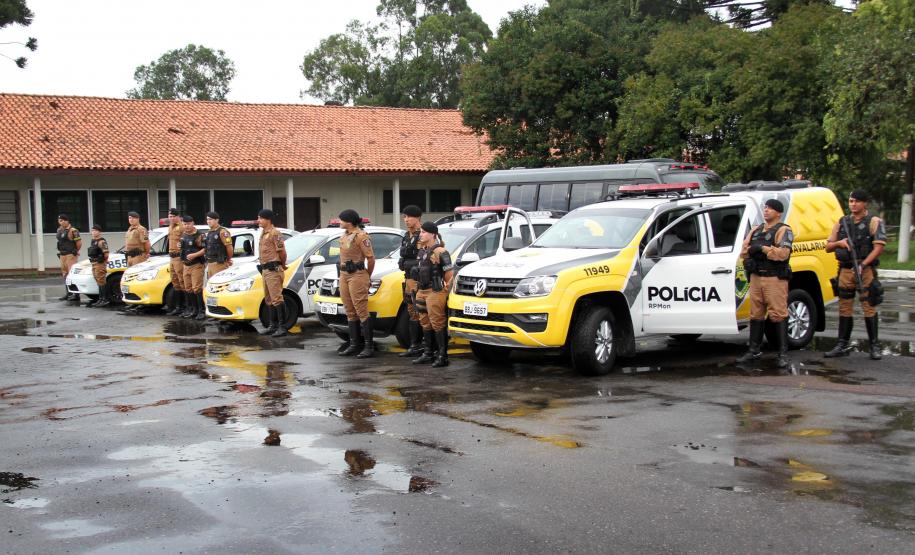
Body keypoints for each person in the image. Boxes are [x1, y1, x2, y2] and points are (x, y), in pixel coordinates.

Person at [824, 189, 887, 360]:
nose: (853, 204)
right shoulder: (842, 222)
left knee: (869, 306)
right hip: (845, 270)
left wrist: (864, 264)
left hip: (865, 270)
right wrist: (840, 243)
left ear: (865, 203)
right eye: (851, 201)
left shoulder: (873, 221)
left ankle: (874, 346)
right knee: (844, 307)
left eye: (857, 201)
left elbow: (879, 247)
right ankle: (841, 344)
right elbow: (828, 246)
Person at [736, 199, 794, 368]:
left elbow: (783, 254)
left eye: (770, 208)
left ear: (778, 213)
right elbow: (744, 251)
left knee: (778, 313)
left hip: (774, 277)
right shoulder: (756, 230)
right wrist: (750, 258)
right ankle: (754, 350)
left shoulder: (784, 230)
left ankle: (783, 353)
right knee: (756, 313)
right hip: (756, 277)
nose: (766, 210)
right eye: (765, 207)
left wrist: (763, 249)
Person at [411, 221, 454, 368]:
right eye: (420, 232)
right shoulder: (422, 251)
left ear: (433, 234)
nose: (421, 235)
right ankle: (428, 353)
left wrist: (446, 291)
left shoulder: (441, 251)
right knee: (424, 321)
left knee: (437, 323)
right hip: (422, 291)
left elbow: (449, 273)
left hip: (435, 291)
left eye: (424, 232)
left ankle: (442, 356)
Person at [337, 209, 375, 357]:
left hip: (357, 275)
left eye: (341, 220)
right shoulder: (345, 235)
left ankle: (368, 346)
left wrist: (367, 275)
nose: (340, 222)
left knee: (361, 310)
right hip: (344, 274)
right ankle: (354, 344)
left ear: (349, 222)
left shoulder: (361, 236)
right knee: (349, 309)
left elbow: (370, 259)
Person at [257, 209, 289, 337]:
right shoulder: (263, 233)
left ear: (267, 219)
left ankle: (282, 327)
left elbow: (282, 252)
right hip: (265, 270)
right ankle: (272, 325)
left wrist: (281, 264)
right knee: (269, 298)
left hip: (273, 269)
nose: (258, 220)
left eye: (260, 218)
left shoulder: (275, 233)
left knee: (276, 298)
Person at [398, 205, 424, 357]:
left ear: (418, 218)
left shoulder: (423, 235)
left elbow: (425, 257)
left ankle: (425, 346)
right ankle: (415, 345)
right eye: (404, 217)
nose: (406, 220)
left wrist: (409, 263)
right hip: (408, 279)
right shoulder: (407, 236)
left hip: (419, 280)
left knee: (420, 311)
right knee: (411, 311)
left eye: (409, 217)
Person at [178, 215, 206, 320]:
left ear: (193, 223)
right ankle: (193, 310)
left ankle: (201, 311)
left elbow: (205, 249)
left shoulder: (199, 235)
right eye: (184, 224)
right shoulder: (184, 234)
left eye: (188, 224)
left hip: (196, 264)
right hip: (186, 264)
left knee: (197, 288)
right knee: (188, 288)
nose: (186, 226)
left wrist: (194, 255)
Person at [164, 208, 187, 316]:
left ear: (178, 217)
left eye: (173, 216)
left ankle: (186, 307)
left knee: (182, 281)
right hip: (172, 257)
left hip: (179, 257)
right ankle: (178, 307)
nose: (171, 218)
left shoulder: (182, 227)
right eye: (170, 216)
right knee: (175, 281)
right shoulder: (170, 227)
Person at [55, 214, 81, 301]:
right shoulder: (59, 230)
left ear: (67, 221)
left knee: (72, 274)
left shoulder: (73, 230)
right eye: (60, 221)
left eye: (62, 220)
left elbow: (79, 243)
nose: (61, 222)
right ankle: (69, 293)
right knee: (65, 274)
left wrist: (75, 251)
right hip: (62, 254)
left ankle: (76, 294)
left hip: (70, 254)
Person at [85, 224, 110, 308]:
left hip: (100, 263)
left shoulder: (101, 241)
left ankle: (104, 299)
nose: (93, 232)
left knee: (101, 280)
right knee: (98, 280)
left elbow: (106, 254)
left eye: (95, 230)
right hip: (94, 263)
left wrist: (103, 261)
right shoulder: (93, 241)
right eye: (92, 230)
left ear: (99, 232)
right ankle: (100, 298)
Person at [204, 211, 233, 278]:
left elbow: (229, 248)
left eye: (210, 219)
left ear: (217, 220)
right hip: (210, 263)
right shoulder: (210, 232)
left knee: (219, 284)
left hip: (219, 264)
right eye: (207, 219)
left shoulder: (222, 231)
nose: (208, 221)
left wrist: (228, 259)